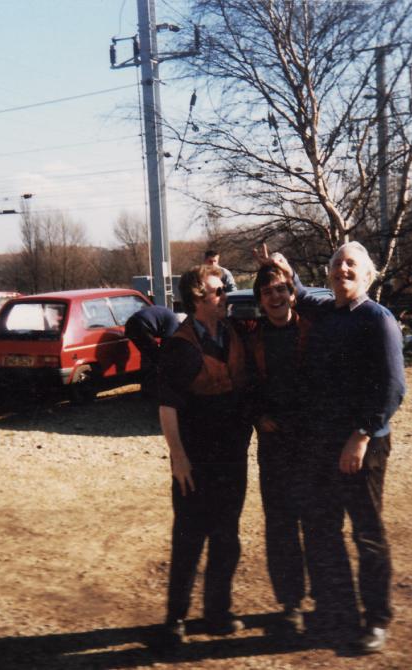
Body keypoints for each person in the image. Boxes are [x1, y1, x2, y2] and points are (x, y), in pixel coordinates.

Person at [283, 241, 407, 654]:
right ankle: (338, 611)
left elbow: (393, 388)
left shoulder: (378, 320)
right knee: (324, 530)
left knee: (367, 534)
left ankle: (376, 620)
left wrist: (361, 435)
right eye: (336, 264)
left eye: (352, 264)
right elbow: (299, 295)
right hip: (323, 442)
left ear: (369, 275)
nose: (343, 270)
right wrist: (284, 270)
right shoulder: (326, 314)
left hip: (362, 445)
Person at [153, 263, 251, 651]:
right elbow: (167, 407)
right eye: (218, 291)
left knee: (227, 537)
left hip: (232, 459)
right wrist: (178, 458)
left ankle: (218, 613)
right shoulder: (179, 346)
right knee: (189, 538)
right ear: (197, 297)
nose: (226, 295)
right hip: (195, 462)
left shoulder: (233, 335)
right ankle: (175, 619)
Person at [246, 262, 313, 636]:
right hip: (274, 445)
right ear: (260, 299)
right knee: (281, 525)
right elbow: (244, 386)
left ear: (293, 292)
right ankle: (291, 604)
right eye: (268, 291)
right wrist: (257, 415)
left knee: (319, 522)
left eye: (282, 289)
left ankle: (327, 599)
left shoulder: (311, 331)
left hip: (312, 442)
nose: (276, 296)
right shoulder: (252, 339)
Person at [124, 304, 179, 397]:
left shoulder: (167, 314)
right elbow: (166, 343)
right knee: (157, 358)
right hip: (141, 326)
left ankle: (147, 388)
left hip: (130, 324)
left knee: (147, 356)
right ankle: (156, 389)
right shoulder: (174, 322)